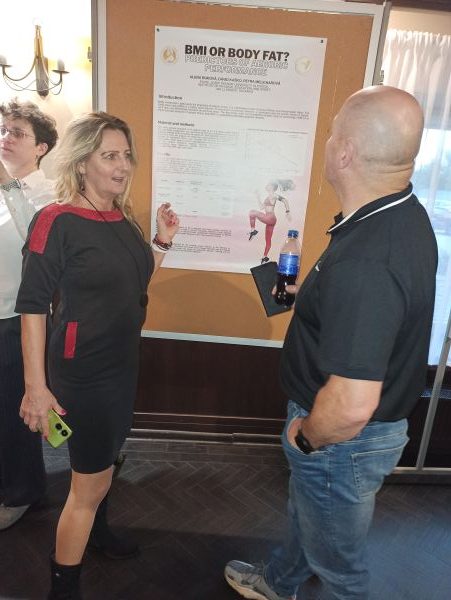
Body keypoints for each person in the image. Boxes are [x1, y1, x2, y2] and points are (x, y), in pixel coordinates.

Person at [225, 85, 438, 600]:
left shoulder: (368, 259)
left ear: (345, 151)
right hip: (349, 435)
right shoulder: (395, 214)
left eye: (332, 130)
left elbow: (351, 406)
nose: (326, 139)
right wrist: (312, 293)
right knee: (310, 517)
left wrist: (307, 438)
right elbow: (367, 315)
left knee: (340, 570)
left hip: (341, 441)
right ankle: (279, 583)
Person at [15, 111, 179, 599]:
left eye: (126, 155)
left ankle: (99, 532)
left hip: (121, 364)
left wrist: (161, 241)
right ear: (83, 161)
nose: (123, 165)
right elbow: (32, 306)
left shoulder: (120, 218)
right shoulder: (56, 220)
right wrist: (36, 387)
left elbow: (133, 279)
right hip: (83, 373)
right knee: (86, 486)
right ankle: (63, 587)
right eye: (110, 155)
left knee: (106, 459)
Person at [0, 99, 58, 530]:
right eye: (4, 130)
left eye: (17, 133)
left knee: (14, 410)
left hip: (19, 319)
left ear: (41, 147)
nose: (6, 138)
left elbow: (34, 245)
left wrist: (8, 186)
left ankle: (23, 492)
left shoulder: (50, 194)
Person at [248, 180, 292, 264]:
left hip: (270, 217)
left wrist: (287, 212)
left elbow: (285, 200)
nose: (267, 185)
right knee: (268, 240)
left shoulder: (273, 195)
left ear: (272, 187)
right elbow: (261, 207)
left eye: (268, 185)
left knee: (252, 212)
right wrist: (258, 197)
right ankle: (264, 257)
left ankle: (253, 230)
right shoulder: (268, 197)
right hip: (271, 220)